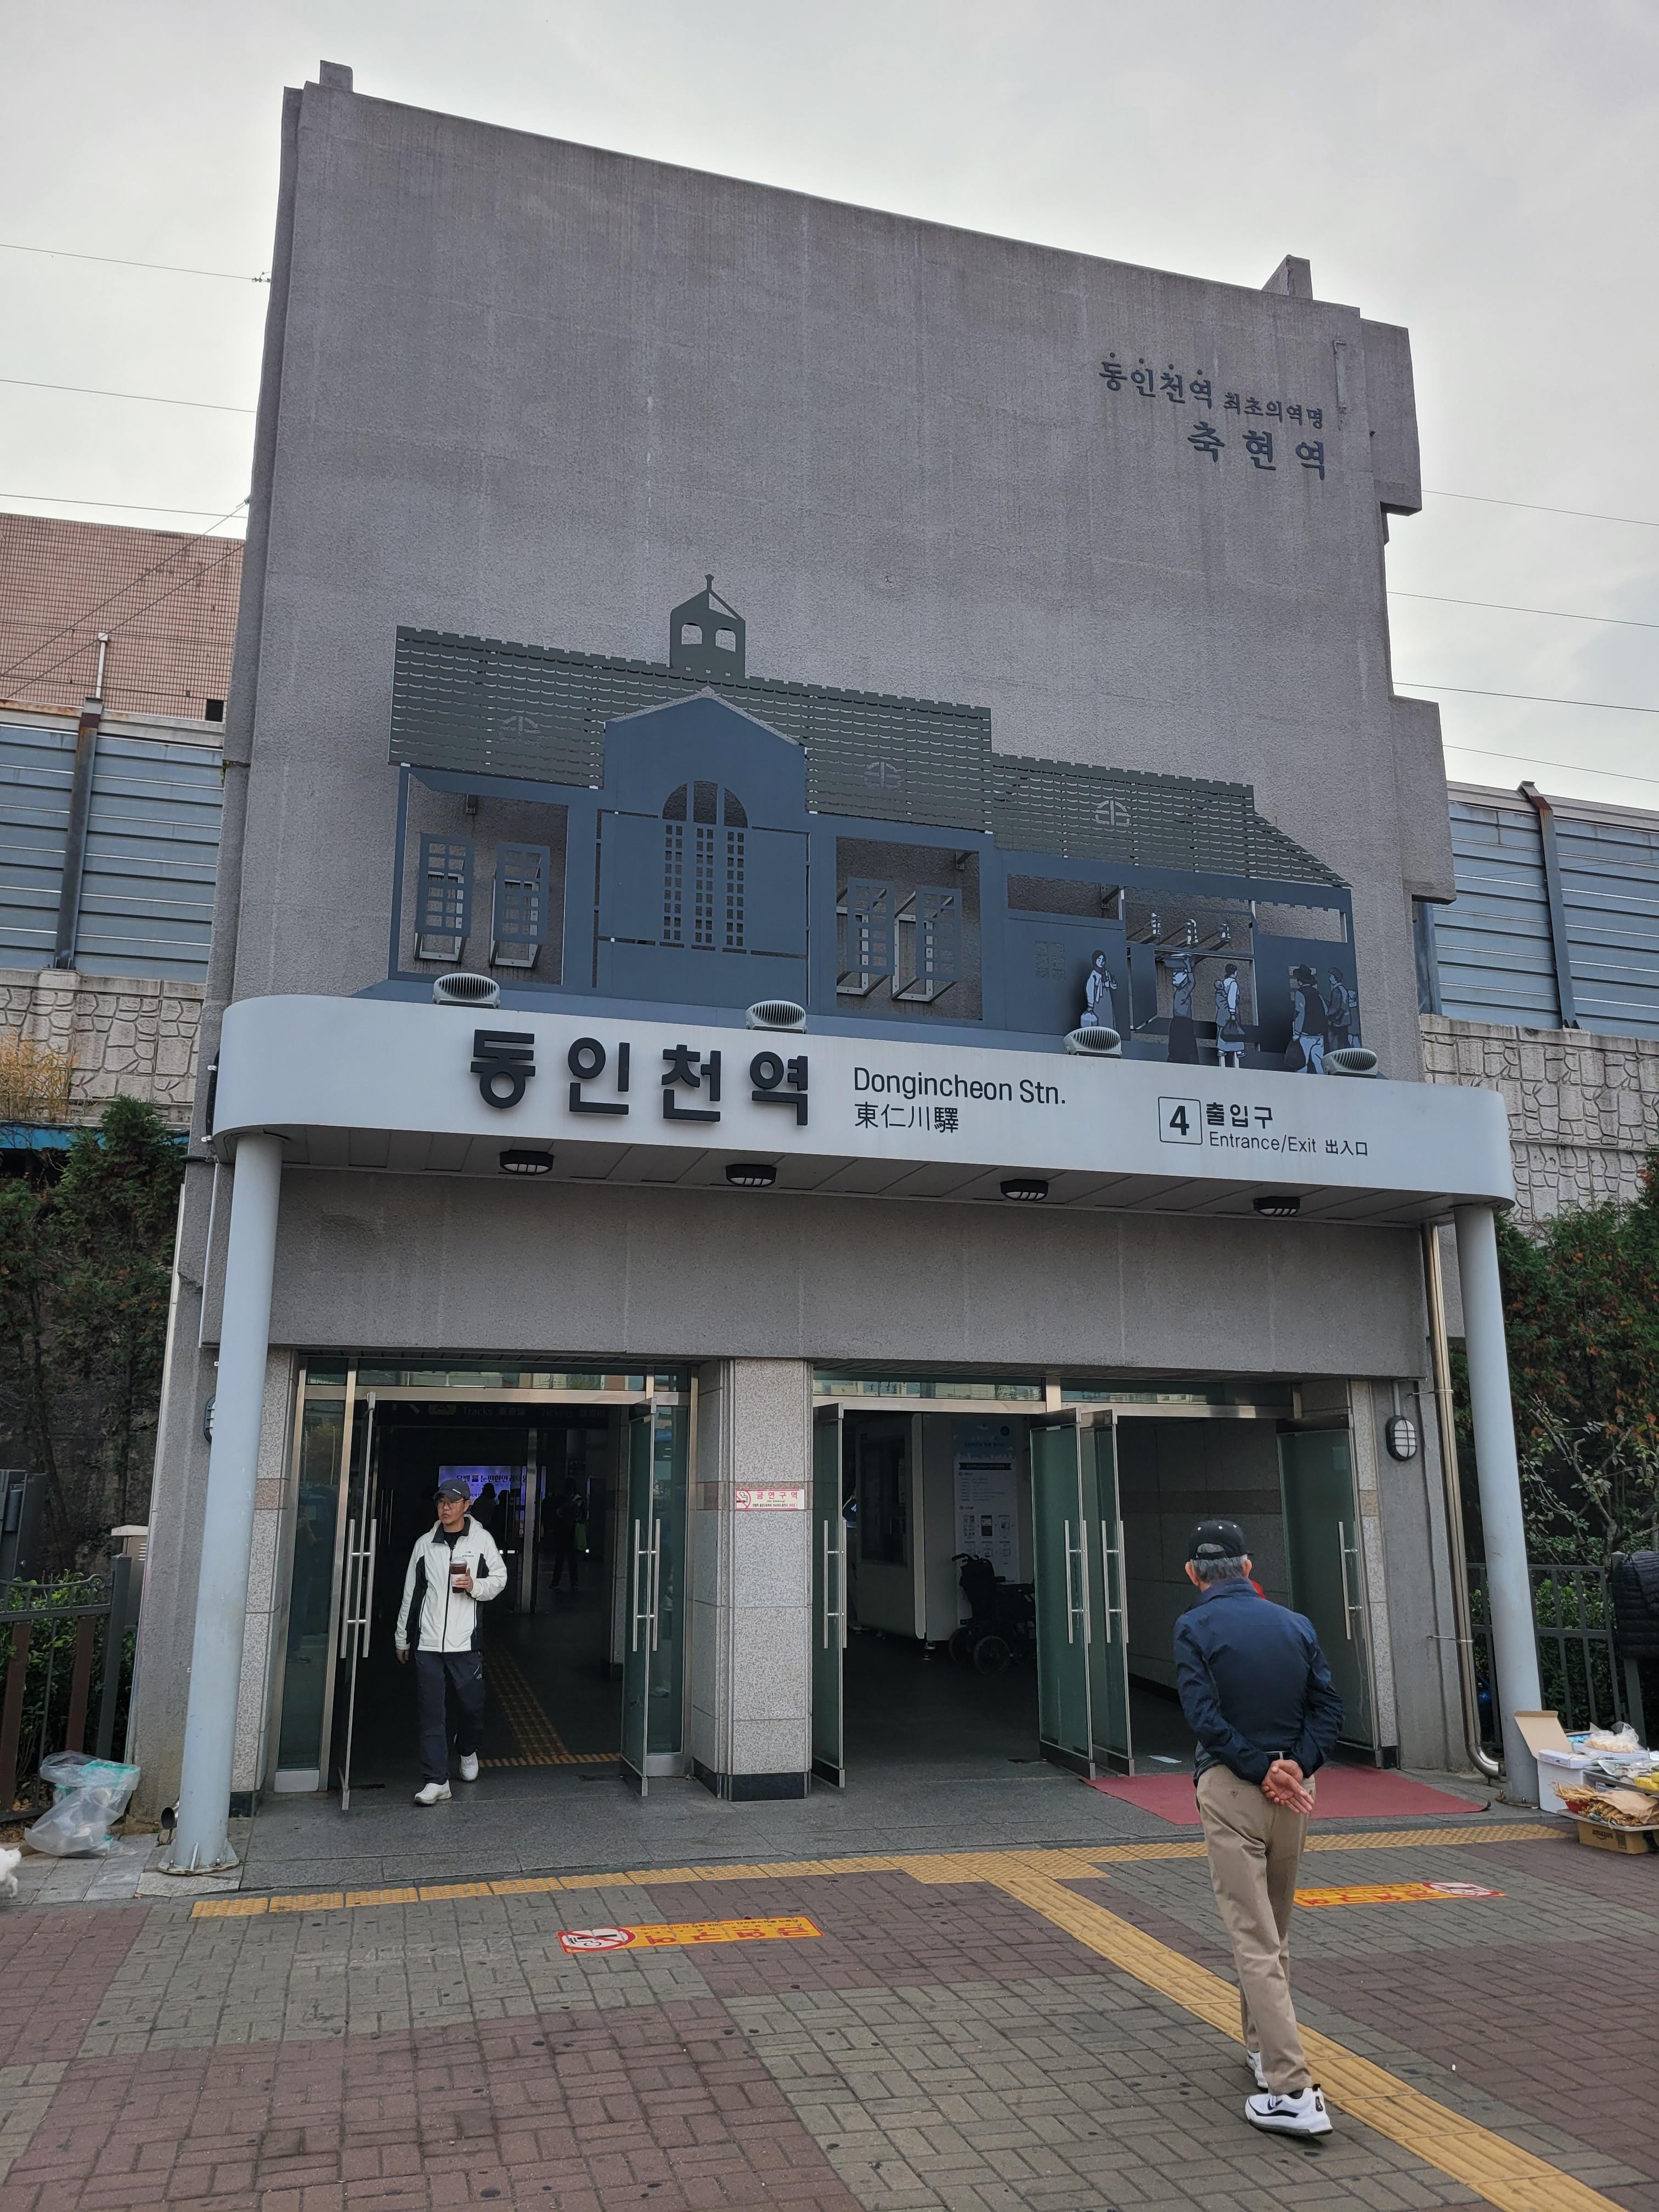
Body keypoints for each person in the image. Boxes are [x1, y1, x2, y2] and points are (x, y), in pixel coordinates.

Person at [1173, 1518, 1343, 2138]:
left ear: (1193, 1574)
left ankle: (1292, 2091)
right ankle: (1260, 2047)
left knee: (1253, 1938)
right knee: (1276, 1931)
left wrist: (1257, 1768)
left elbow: (1203, 1716)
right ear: (1248, 1568)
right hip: (1296, 1793)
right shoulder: (1295, 1624)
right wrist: (1295, 1765)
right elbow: (1329, 1707)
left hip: (1233, 1790)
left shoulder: (1193, 1626)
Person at [395, 1476, 508, 1804]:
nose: (446, 1508)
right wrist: (403, 1637)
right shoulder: (425, 1544)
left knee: (472, 1706)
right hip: (428, 1643)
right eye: (442, 1502)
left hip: (465, 1642)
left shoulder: (482, 1540)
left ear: (466, 1505)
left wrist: (475, 1586)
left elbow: (500, 1578)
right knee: (431, 1712)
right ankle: (437, 1780)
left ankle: (467, 1748)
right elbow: (411, 1593)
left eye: (453, 1502)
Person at [545, 1481, 585, 1593]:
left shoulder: (560, 1500)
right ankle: (574, 1582)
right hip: (573, 1532)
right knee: (572, 1559)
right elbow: (582, 1516)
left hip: (562, 1532)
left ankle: (556, 1582)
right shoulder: (578, 1500)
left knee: (560, 1558)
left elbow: (556, 1514)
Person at [1166, 951, 1199, 1063]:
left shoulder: (1184, 991)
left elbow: (1192, 982)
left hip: (1183, 1022)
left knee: (1184, 1044)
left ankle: (1183, 1059)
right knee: (1176, 1043)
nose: (1174, 976)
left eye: (1177, 973)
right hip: (1179, 1021)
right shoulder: (1180, 991)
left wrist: (1188, 966)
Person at [1214, 962, 1245, 1070]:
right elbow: (1231, 998)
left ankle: (1221, 1050)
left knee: (1222, 1031)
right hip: (1231, 1012)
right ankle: (1238, 1051)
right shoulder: (1233, 983)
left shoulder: (1224, 983)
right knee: (1235, 1031)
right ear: (1235, 973)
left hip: (1222, 1012)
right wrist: (1232, 1013)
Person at [1081, 951, 1115, 1034]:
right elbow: (1090, 989)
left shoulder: (1106, 973)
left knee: (1108, 1016)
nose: (1101, 962)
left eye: (1103, 960)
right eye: (1099, 960)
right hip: (1098, 1001)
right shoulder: (1094, 974)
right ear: (1095, 961)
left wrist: (1112, 983)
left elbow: (1113, 986)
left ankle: (1110, 1034)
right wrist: (1090, 1005)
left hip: (1107, 999)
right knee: (1100, 1017)